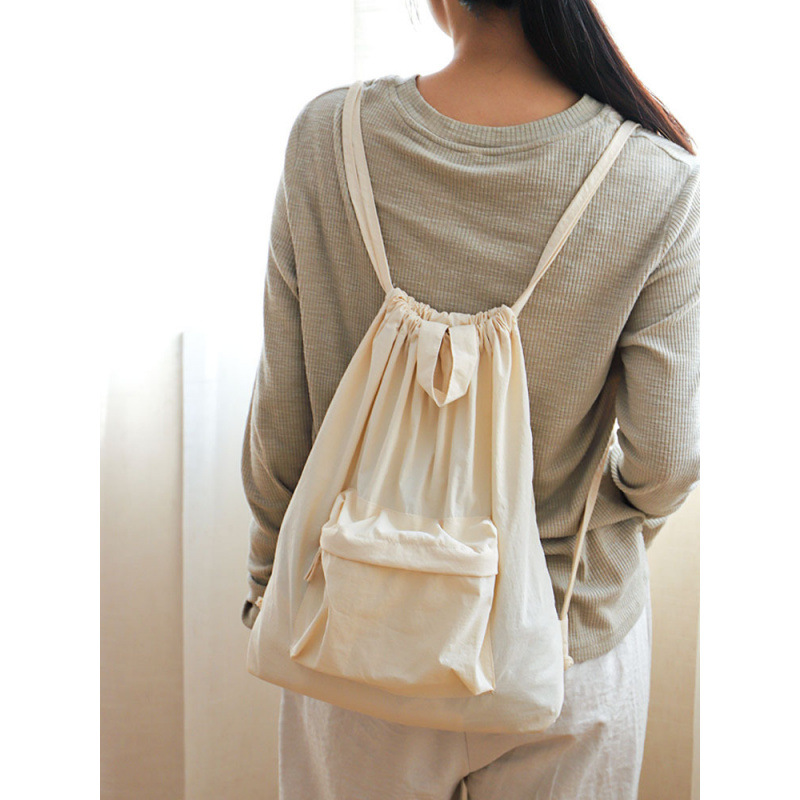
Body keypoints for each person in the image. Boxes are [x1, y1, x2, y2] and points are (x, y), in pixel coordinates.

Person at [240, 0, 700, 797]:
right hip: (563, 638)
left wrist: (267, 587)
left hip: (355, 622)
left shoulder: (326, 139)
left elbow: (283, 426)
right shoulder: (656, 179)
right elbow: (668, 461)